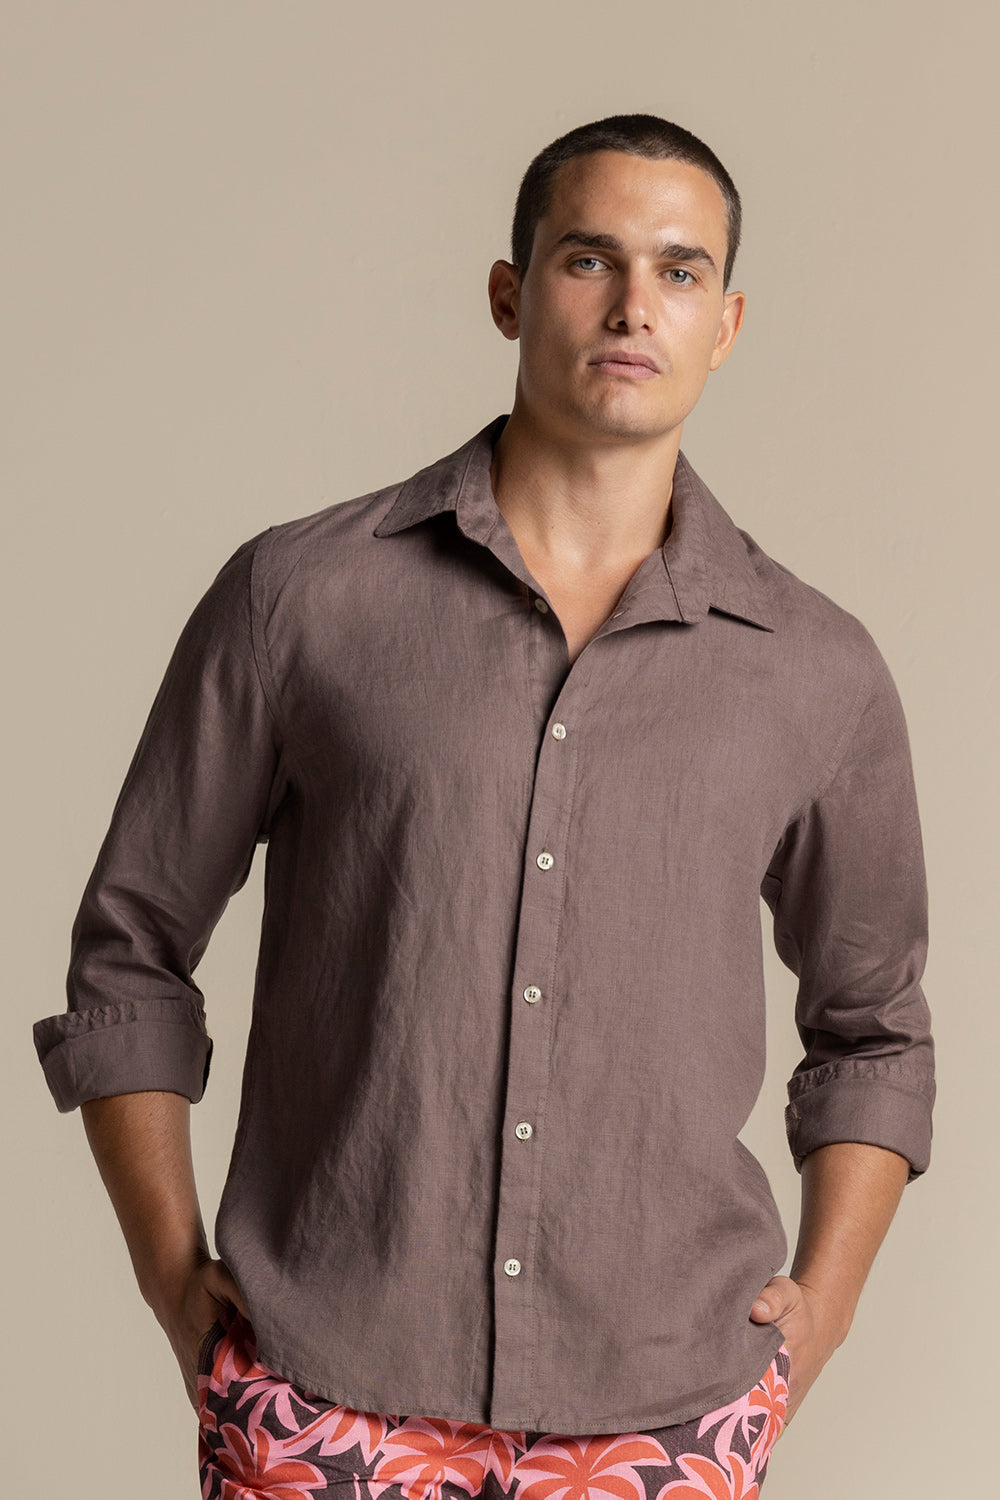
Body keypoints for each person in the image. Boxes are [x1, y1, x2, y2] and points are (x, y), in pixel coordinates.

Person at [33, 113, 935, 1499]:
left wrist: (826, 1310)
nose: (634, 306)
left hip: (669, 1404)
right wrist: (170, 1274)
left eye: (681, 271)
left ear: (727, 324)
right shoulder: (300, 599)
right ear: (510, 293)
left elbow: (873, 1026)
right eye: (590, 259)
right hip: (326, 1388)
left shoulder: (817, 670)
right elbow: (130, 947)